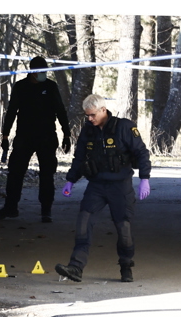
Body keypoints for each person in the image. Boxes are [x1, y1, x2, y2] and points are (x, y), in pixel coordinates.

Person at [55, 94, 152, 283]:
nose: (89, 119)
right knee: (83, 224)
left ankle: (126, 266)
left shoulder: (124, 127)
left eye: (92, 115)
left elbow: (141, 152)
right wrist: (70, 180)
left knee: (124, 229)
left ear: (102, 110)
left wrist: (144, 178)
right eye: (87, 116)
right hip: (96, 186)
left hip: (120, 186)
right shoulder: (88, 131)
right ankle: (75, 267)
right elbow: (80, 157)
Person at [0, 55, 71, 223]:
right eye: (41, 71)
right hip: (24, 137)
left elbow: (60, 110)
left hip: (47, 137)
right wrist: (5, 135)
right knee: (15, 173)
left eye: (45, 70)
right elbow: (12, 111)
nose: (44, 73)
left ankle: (46, 210)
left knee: (47, 174)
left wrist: (67, 134)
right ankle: (10, 207)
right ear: (33, 72)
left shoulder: (51, 86)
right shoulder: (20, 87)